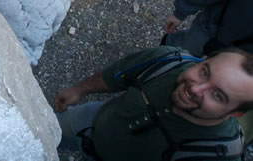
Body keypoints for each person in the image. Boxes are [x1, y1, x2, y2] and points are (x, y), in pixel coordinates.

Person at [53, 46, 253, 161]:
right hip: (90, 122)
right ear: (202, 60)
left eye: (218, 95)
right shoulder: (166, 61)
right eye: (204, 72)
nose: (195, 89)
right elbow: (117, 75)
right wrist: (79, 90)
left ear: (234, 113)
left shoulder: (216, 155)